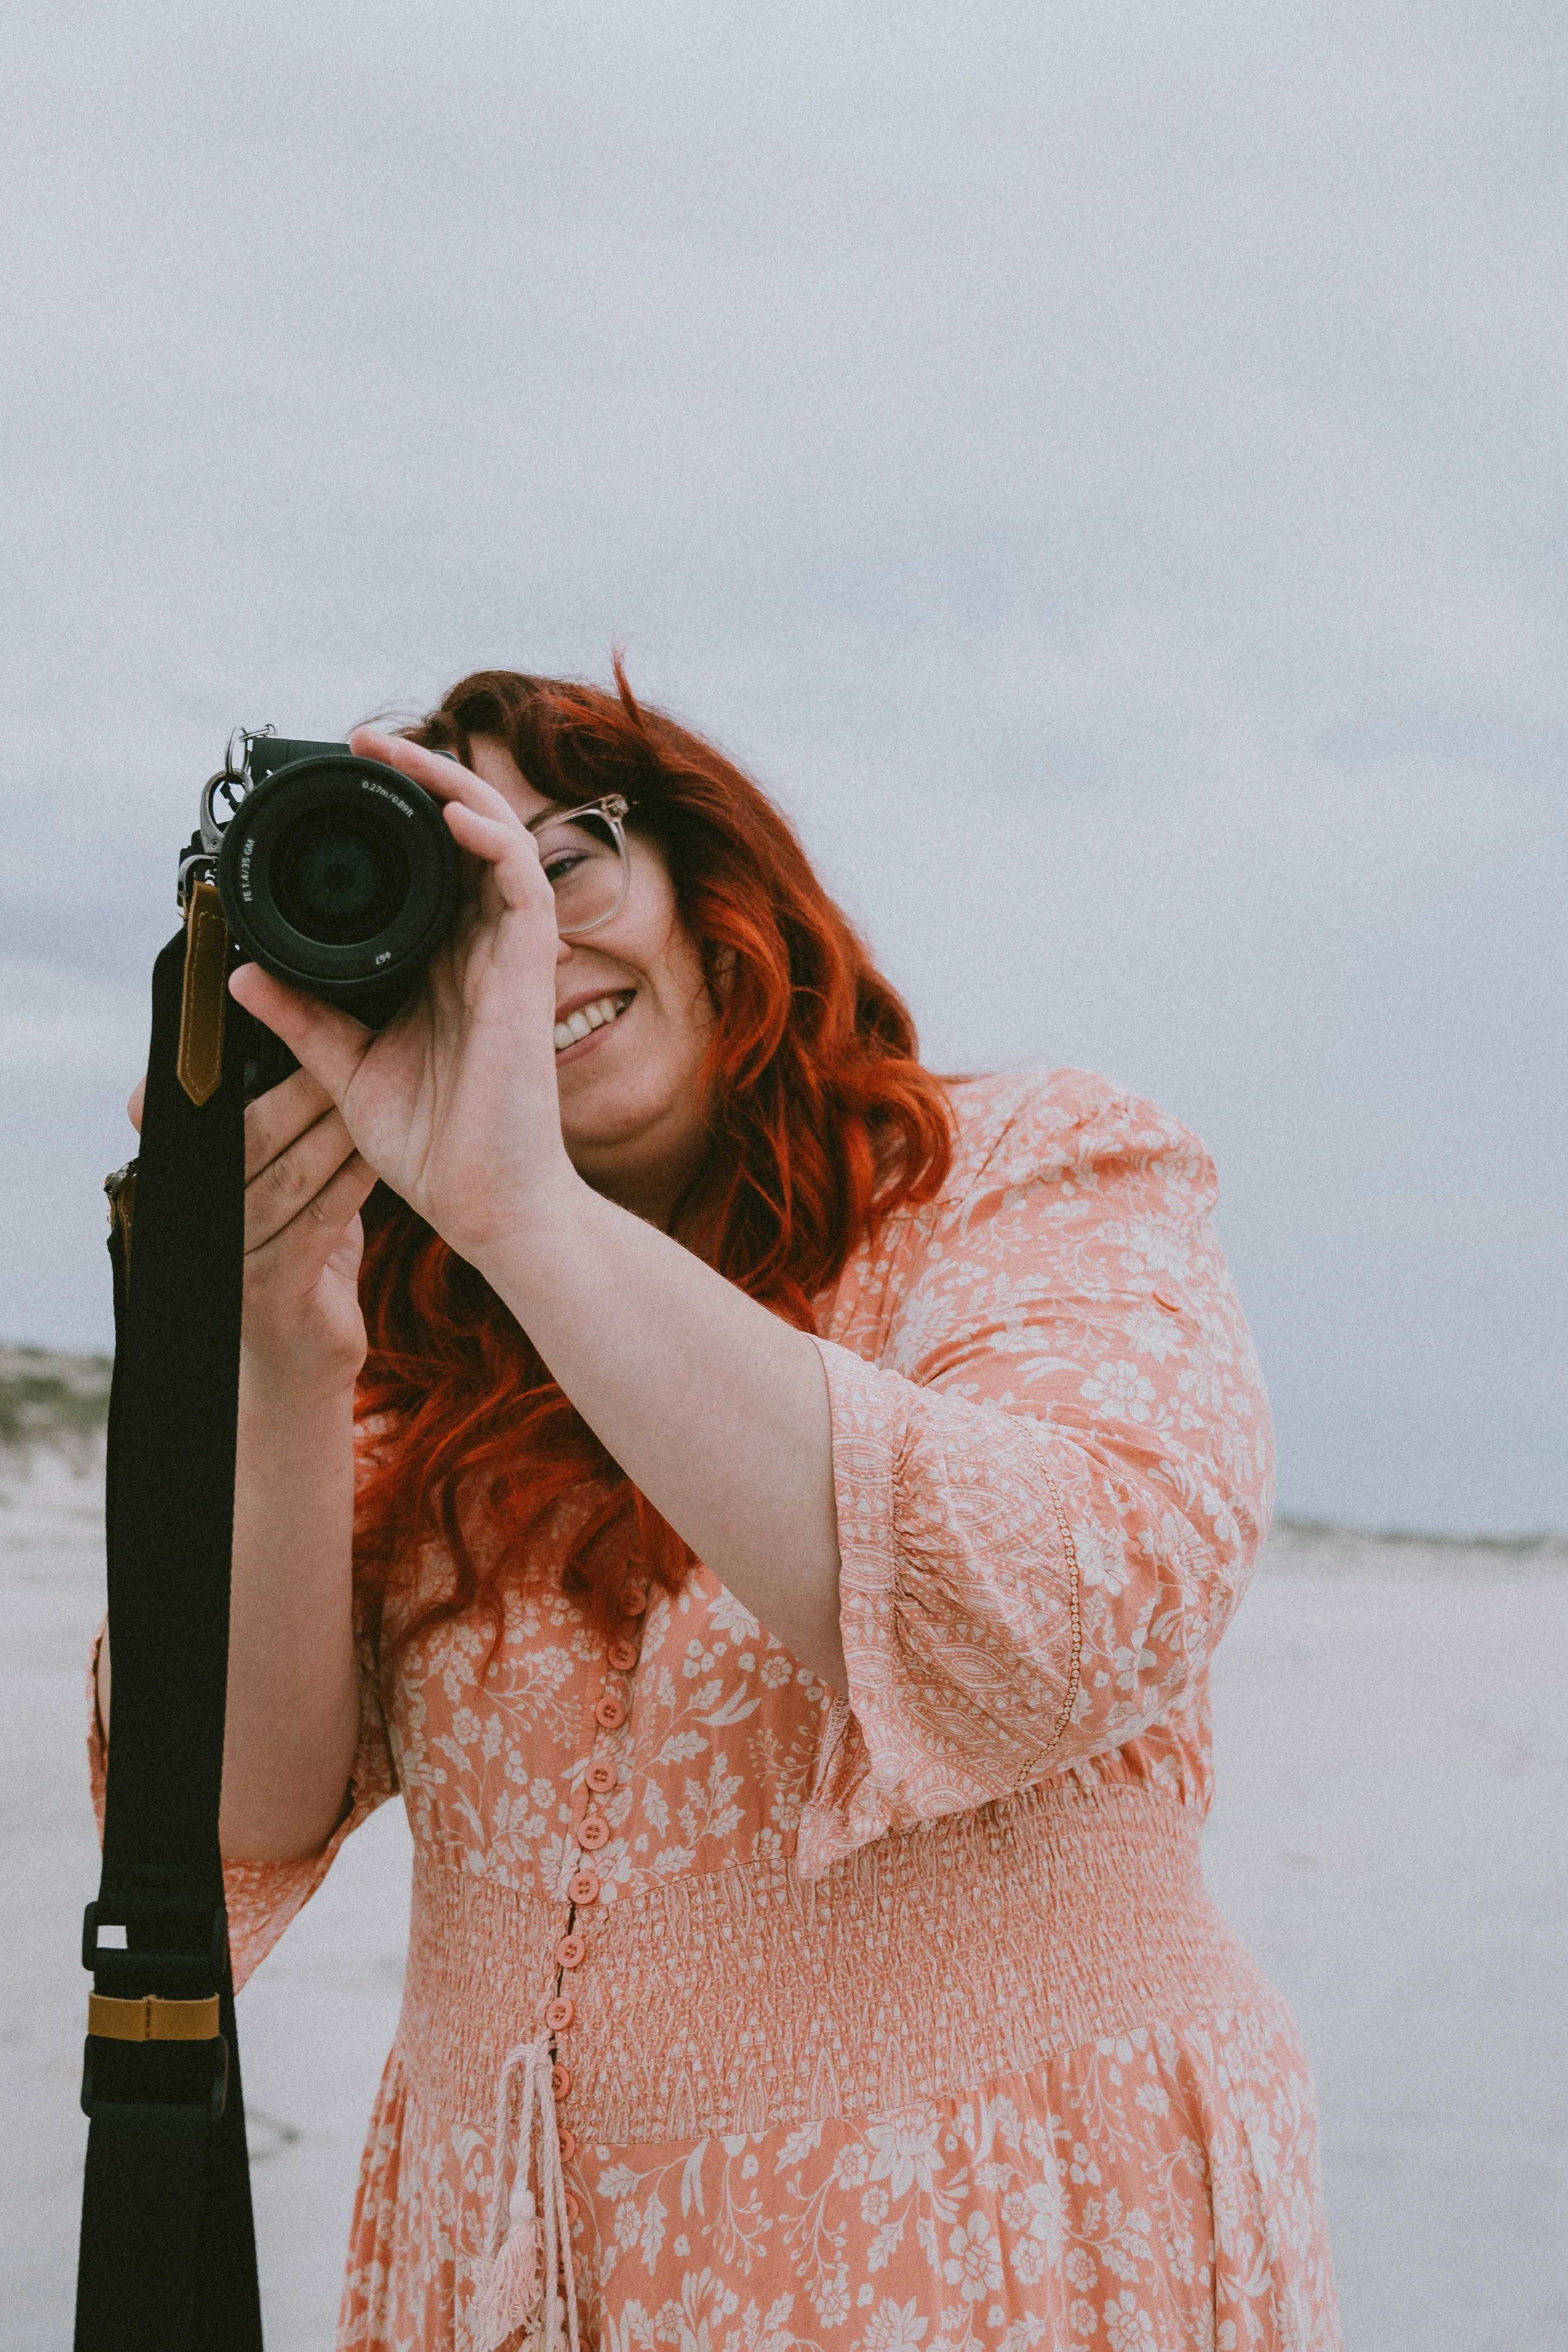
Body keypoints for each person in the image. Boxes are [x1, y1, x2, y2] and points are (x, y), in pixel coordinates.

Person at [93, 667, 1341, 2351]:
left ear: (713, 881)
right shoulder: (415, 1341)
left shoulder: (1030, 1172)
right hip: (509, 2282)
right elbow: (231, 1805)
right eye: (451, 899)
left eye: (560, 861)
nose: (518, 940)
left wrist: (519, 1205)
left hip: (1002, 2248)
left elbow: (1062, 1602)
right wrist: (280, 1347)